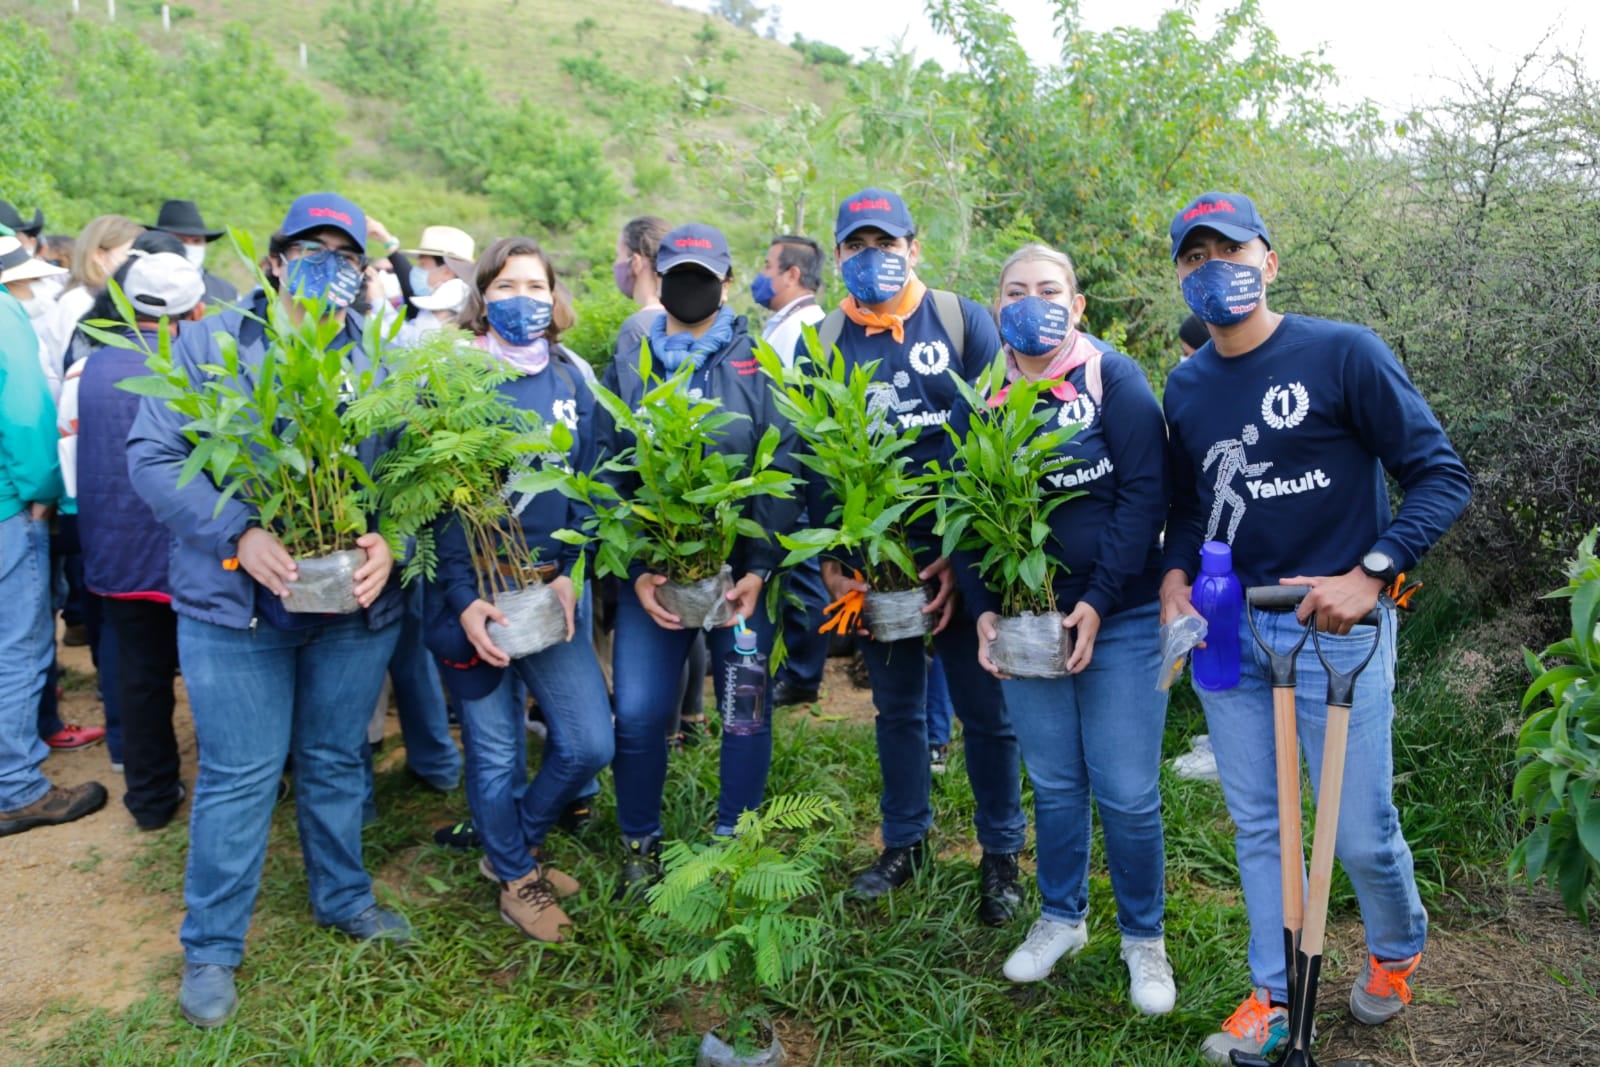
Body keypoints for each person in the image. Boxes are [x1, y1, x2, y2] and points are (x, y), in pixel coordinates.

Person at [1159, 192, 1471, 1063]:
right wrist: (1175, 576)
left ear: (1269, 260)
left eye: (1231, 250)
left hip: (1337, 634)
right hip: (1232, 630)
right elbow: (1191, 507)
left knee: (1360, 829)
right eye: (1194, 257)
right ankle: (1271, 993)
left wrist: (1371, 572)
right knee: (1261, 823)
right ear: (1180, 276)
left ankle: (1397, 946)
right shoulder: (1186, 385)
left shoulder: (1342, 353)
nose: (1214, 269)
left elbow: (1440, 475)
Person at [128, 192, 409, 1029]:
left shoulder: (381, 358)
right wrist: (238, 533)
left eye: (347, 255)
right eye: (312, 251)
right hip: (235, 611)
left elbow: (411, 469)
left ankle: (344, 897)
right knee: (241, 774)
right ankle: (212, 946)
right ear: (276, 261)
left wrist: (392, 538)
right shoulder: (211, 344)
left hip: (351, 607)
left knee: (335, 758)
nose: (331, 268)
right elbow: (154, 456)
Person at [959, 243, 1175, 1011]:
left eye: (1050, 290)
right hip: (1024, 619)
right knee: (1053, 781)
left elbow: (1144, 495)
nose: (1033, 302)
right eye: (1016, 290)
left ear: (1077, 305)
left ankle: (1144, 939)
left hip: (1121, 615)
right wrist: (983, 607)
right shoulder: (982, 396)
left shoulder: (1113, 377)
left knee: (1126, 790)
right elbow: (967, 509)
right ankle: (1061, 916)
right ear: (997, 306)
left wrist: (1101, 598)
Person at [808, 187, 1025, 925]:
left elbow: (997, 437)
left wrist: (967, 561)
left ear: (914, 246)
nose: (873, 257)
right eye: (857, 245)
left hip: (959, 551)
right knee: (896, 709)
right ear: (838, 253)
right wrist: (835, 560)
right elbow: (817, 457)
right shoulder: (824, 339)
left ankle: (1001, 854)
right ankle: (904, 842)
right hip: (879, 560)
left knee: (986, 711)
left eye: (886, 243)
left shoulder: (963, 320)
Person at [423, 236, 614, 942]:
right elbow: (438, 506)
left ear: (554, 297)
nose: (522, 299)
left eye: (535, 286)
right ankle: (514, 876)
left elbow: (592, 483)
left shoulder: (570, 378)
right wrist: (463, 598)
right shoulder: (455, 381)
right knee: (496, 750)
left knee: (589, 742)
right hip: (476, 596)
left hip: (548, 588)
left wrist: (572, 572)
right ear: (483, 297)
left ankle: (515, 844)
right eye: (506, 287)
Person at [603, 222, 801, 898]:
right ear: (657, 277)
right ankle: (640, 842)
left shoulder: (756, 359)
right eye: (677, 274)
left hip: (738, 581)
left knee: (744, 709)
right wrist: (636, 571)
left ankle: (732, 842)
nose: (690, 286)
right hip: (657, 579)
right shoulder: (633, 356)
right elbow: (610, 465)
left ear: (727, 279)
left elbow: (782, 461)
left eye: (704, 275)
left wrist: (760, 568)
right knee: (637, 711)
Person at [69, 252, 206, 830]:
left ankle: (150, 797)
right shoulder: (197, 366)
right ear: (196, 310)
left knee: (140, 676)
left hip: (117, 551)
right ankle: (236, 779)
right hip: (190, 553)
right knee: (209, 677)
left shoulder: (91, 366)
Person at [0, 230, 110, 838]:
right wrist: (44, 492)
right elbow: (23, 414)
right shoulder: (4, 317)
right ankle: (16, 788)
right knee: (17, 648)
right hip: (8, 507)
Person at [37, 214, 143, 401]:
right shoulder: (78, 302)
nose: (136, 263)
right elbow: (70, 366)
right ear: (99, 255)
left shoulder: (99, 299)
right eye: (129, 254)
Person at [149, 199, 239, 306]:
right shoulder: (142, 284)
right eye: (180, 239)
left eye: (197, 241)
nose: (190, 247)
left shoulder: (228, 293)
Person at [610, 215, 671, 369]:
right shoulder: (686, 319)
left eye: (618, 255)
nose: (616, 264)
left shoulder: (636, 329)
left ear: (635, 262)